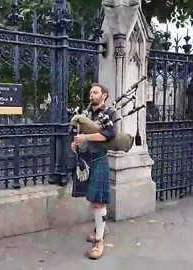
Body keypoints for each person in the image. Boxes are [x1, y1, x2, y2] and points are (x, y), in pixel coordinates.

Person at [71, 83, 116, 260]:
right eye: (90, 92)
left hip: (99, 160)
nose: (92, 94)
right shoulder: (88, 114)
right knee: (93, 199)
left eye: (95, 92)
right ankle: (102, 228)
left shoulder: (110, 113)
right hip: (87, 160)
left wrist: (85, 137)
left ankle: (99, 242)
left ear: (104, 95)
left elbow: (109, 134)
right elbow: (82, 137)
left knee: (98, 202)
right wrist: (76, 143)